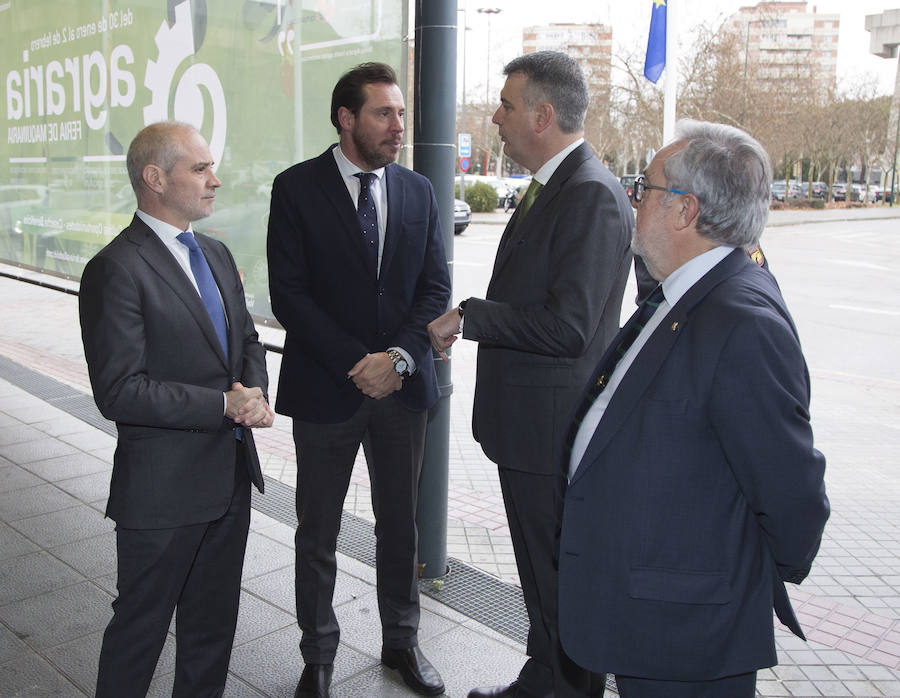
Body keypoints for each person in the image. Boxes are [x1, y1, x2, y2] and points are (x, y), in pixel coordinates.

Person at [558, 120, 830, 698]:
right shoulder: (684, 290)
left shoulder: (741, 320)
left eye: (645, 186)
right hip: (652, 619)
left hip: (688, 637)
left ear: (685, 210)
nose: (634, 197)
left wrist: (739, 574)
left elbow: (792, 492)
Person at [427, 51, 633, 698]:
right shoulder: (558, 185)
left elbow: (568, 326)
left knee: (560, 586)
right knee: (542, 582)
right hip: (529, 434)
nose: (495, 118)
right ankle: (540, 678)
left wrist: (470, 317)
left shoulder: (590, 195)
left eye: (507, 105)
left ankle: (565, 687)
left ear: (543, 114)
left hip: (551, 438)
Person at [267, 62, 451, 698]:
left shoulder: (419, 191)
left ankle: (402, 641)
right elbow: (289, 294)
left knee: (401, 525)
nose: (398, 125)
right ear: (346, 119)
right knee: (317, 529)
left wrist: (396, 358)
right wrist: (358, 362)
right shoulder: (294, 190)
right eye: (384, 113)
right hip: (326, 387)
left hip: (402, 390)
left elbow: (435, 287)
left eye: (400, 113)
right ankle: (317, 655)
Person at [79, 121, 274, 697]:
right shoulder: (115, 269)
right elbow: (119, 391)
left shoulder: (214, 253)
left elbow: (245, 341)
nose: (216, 180)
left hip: (228, 481)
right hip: (162, 494)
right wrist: (224, 405)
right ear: (155, 178)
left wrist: (255, 395)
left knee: (212, 631)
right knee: (140, 634)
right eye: (200, 169)